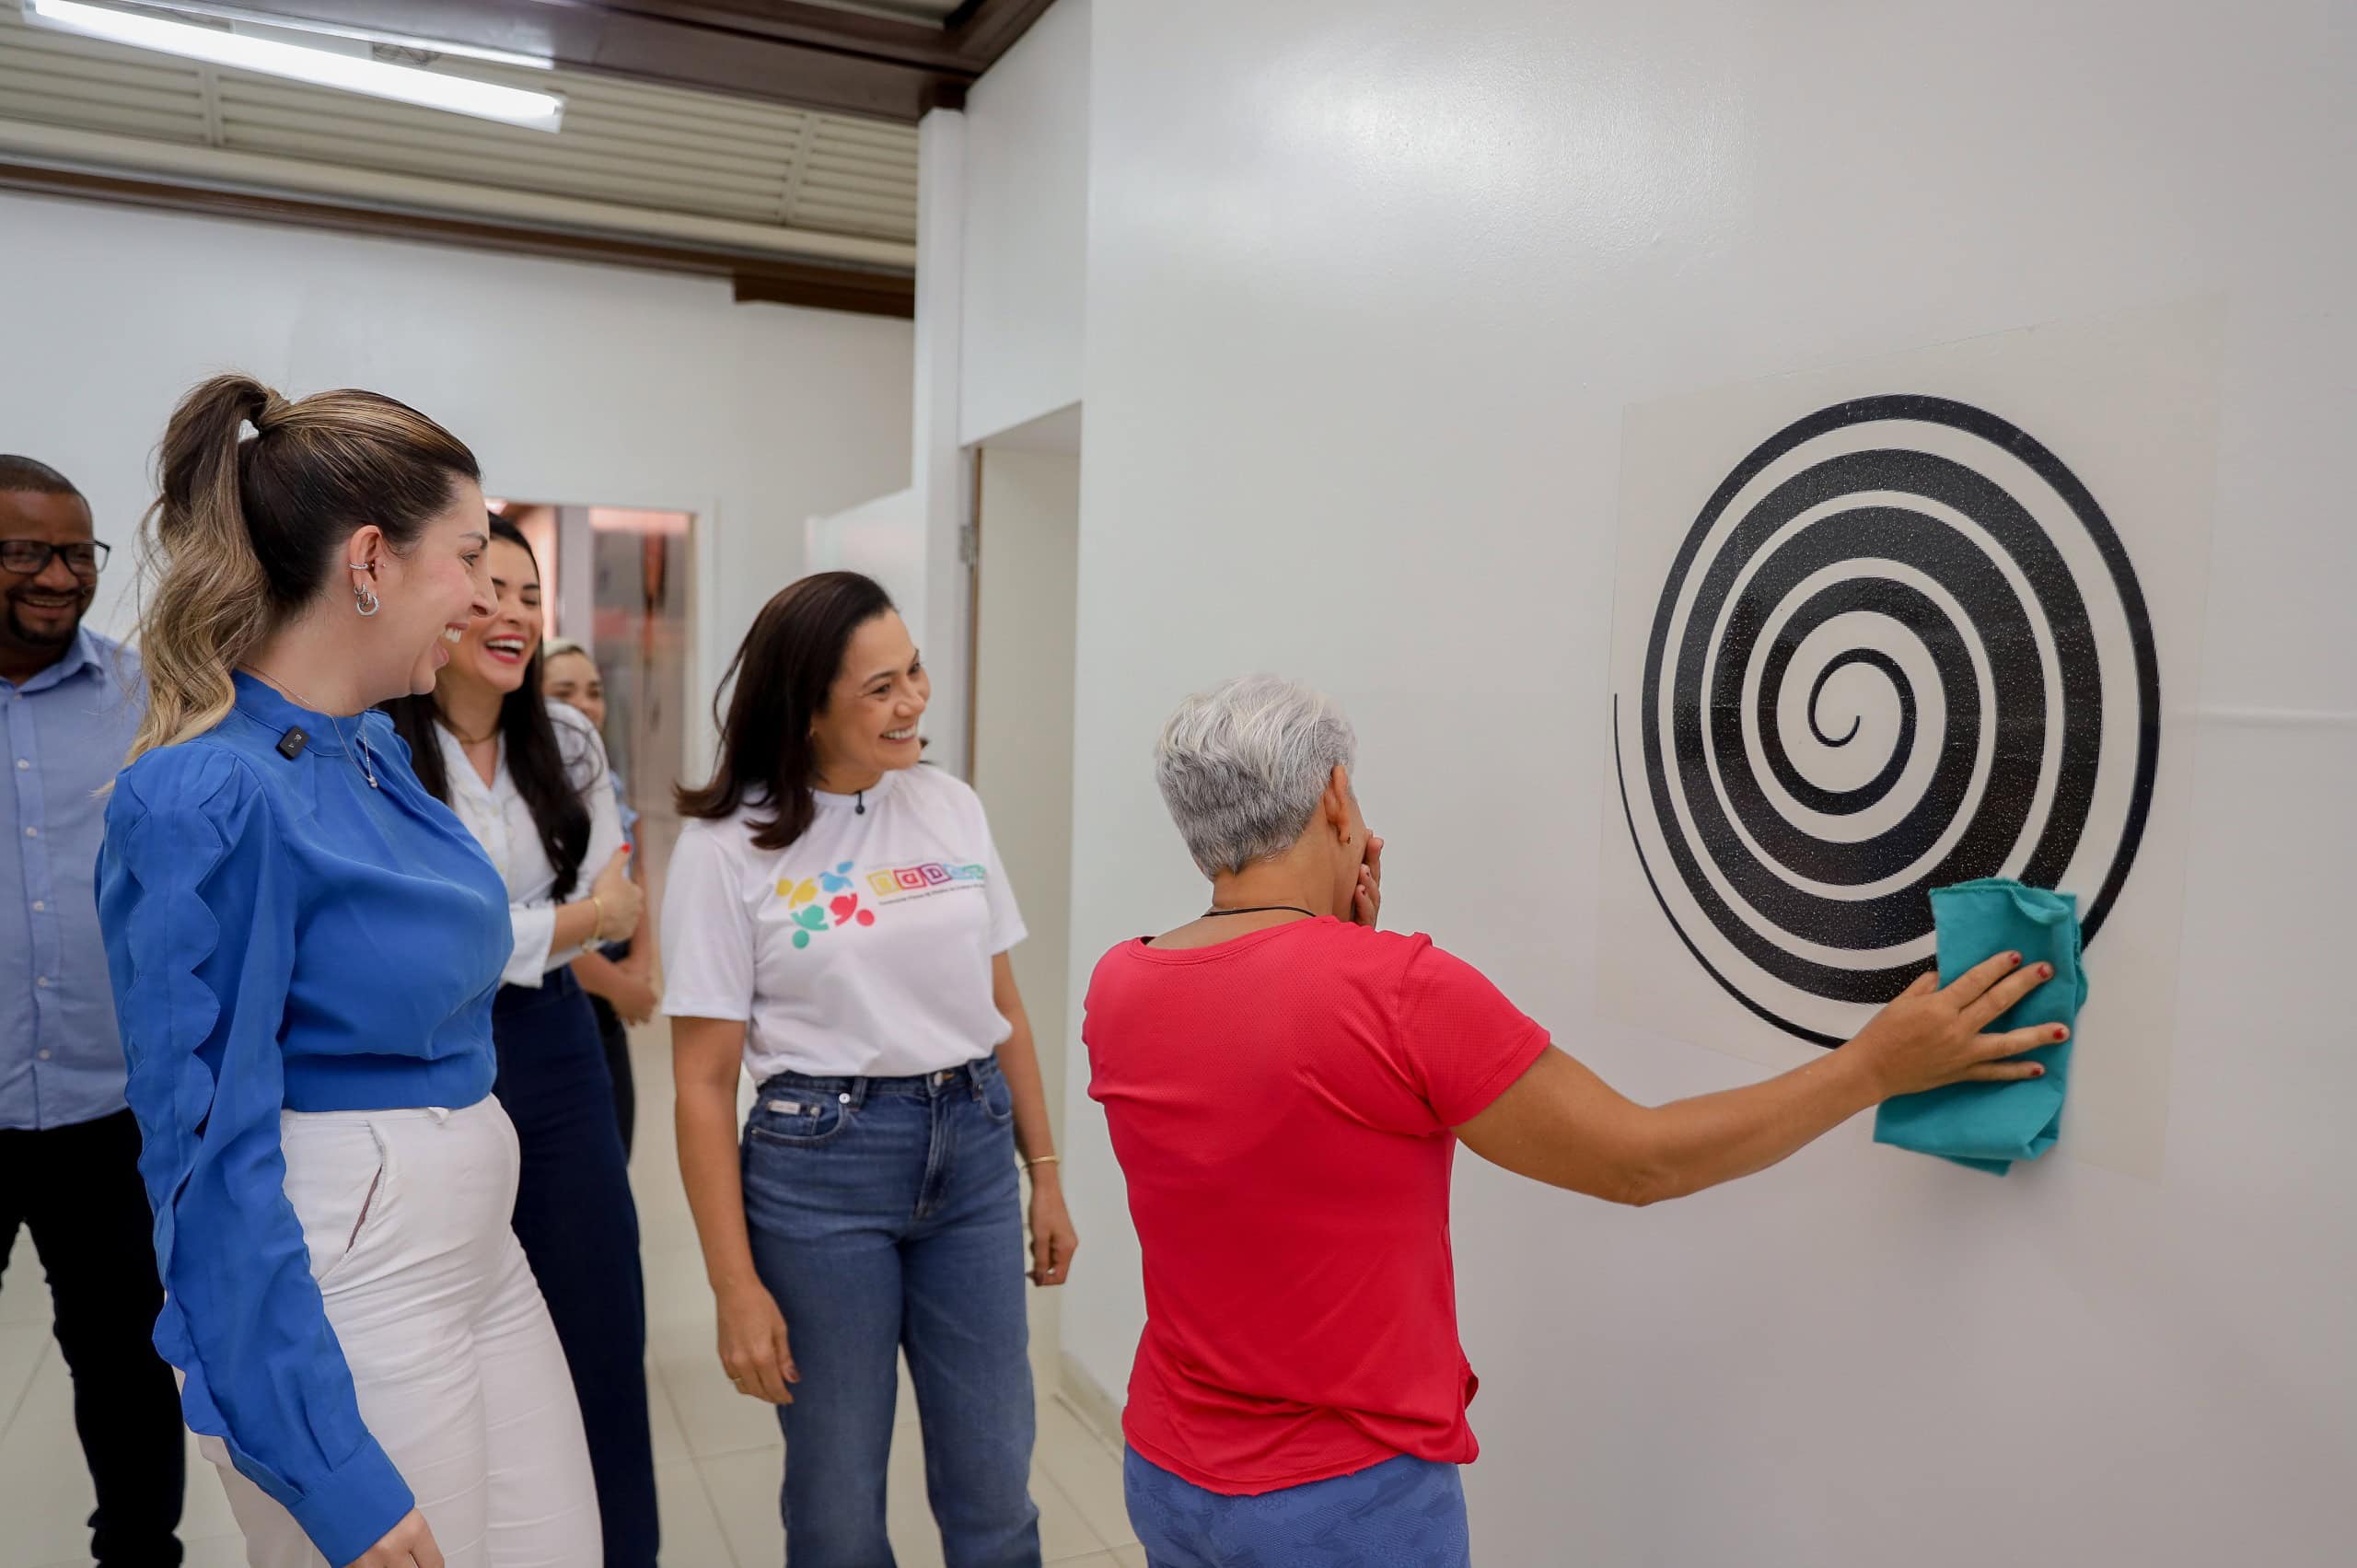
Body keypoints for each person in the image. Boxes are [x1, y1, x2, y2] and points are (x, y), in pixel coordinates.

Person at [1086, 675, 2071, 1568]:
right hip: (1339, 1504)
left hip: (1168, 1475)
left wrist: (1338, 949)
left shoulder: (1120, 982)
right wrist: (1872, 1066)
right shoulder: (1395, 990)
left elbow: (1274, 1109)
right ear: (1337, 797)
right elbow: (1638, 1161)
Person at [96, 377, 602, 1568]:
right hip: (354, 1265)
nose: (485, 598)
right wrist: (318, 1457)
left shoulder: (370, 748)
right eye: (469, 558)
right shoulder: (207, 793)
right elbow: (203, 1161)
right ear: (370, 559)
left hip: (478, 1248)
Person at [663, 571, 1080, 1568]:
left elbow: (1004, 1006)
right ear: (807, 708)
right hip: (820, 1174)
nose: (913, 702)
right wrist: (733, 1286)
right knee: (837, 1501)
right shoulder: (726, 847)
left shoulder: (950, 804)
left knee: (995, 1484)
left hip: (973, 1153)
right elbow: (702, 1085)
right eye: (880, 688)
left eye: (915, 672)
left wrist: (1046, 1172)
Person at [383, 519, 659, 1568]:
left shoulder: (569, 736)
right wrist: (566, 924)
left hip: (555, 1045)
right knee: (450, 1324)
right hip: (427, 1052)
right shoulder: (379, 742)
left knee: (601, 1319)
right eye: (487, 587)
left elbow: (616, 902)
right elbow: (425, 939)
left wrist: (536, 929)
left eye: (529, 595)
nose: (511, 614)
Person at [0, 455, 186, 1566]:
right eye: (28, 551)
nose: (60, 575)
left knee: (125, 1361)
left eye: (78, 552)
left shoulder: (141, 698)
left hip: (109, 1107)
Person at [540, 637, 659, 1156]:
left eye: (594, 691)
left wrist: (641, 963)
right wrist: (619, 988)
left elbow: (634, 869)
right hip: (561, 985)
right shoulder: (527, 793)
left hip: (611, 982)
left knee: (616, 1147)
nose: (585, 706)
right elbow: (536, 919)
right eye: (564, 692)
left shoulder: (605, 779)